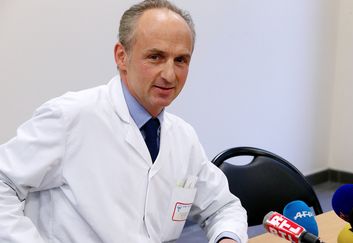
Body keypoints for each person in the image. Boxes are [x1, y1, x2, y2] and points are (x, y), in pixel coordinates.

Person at [0, 0, 248, 242]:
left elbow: (223, 207)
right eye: (155, 57)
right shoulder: (71, 117)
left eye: (181, 60)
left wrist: (227, 237)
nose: (170, 74)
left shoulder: (184, 137)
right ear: (121, 56)